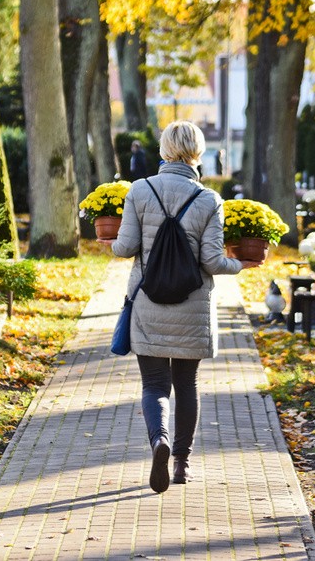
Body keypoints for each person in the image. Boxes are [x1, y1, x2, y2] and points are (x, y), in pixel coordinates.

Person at [102, 121, 261, 493]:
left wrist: (108, 241)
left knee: (154, 385)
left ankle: (159, 440)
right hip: (192, 305)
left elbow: (124, 247)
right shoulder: (209, 200)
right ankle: (182, 465)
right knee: (186, 384)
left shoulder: (140, 190)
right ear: (198, 153)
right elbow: (211, 261)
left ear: (163, 150)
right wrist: (242, 264)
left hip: (147, 301)